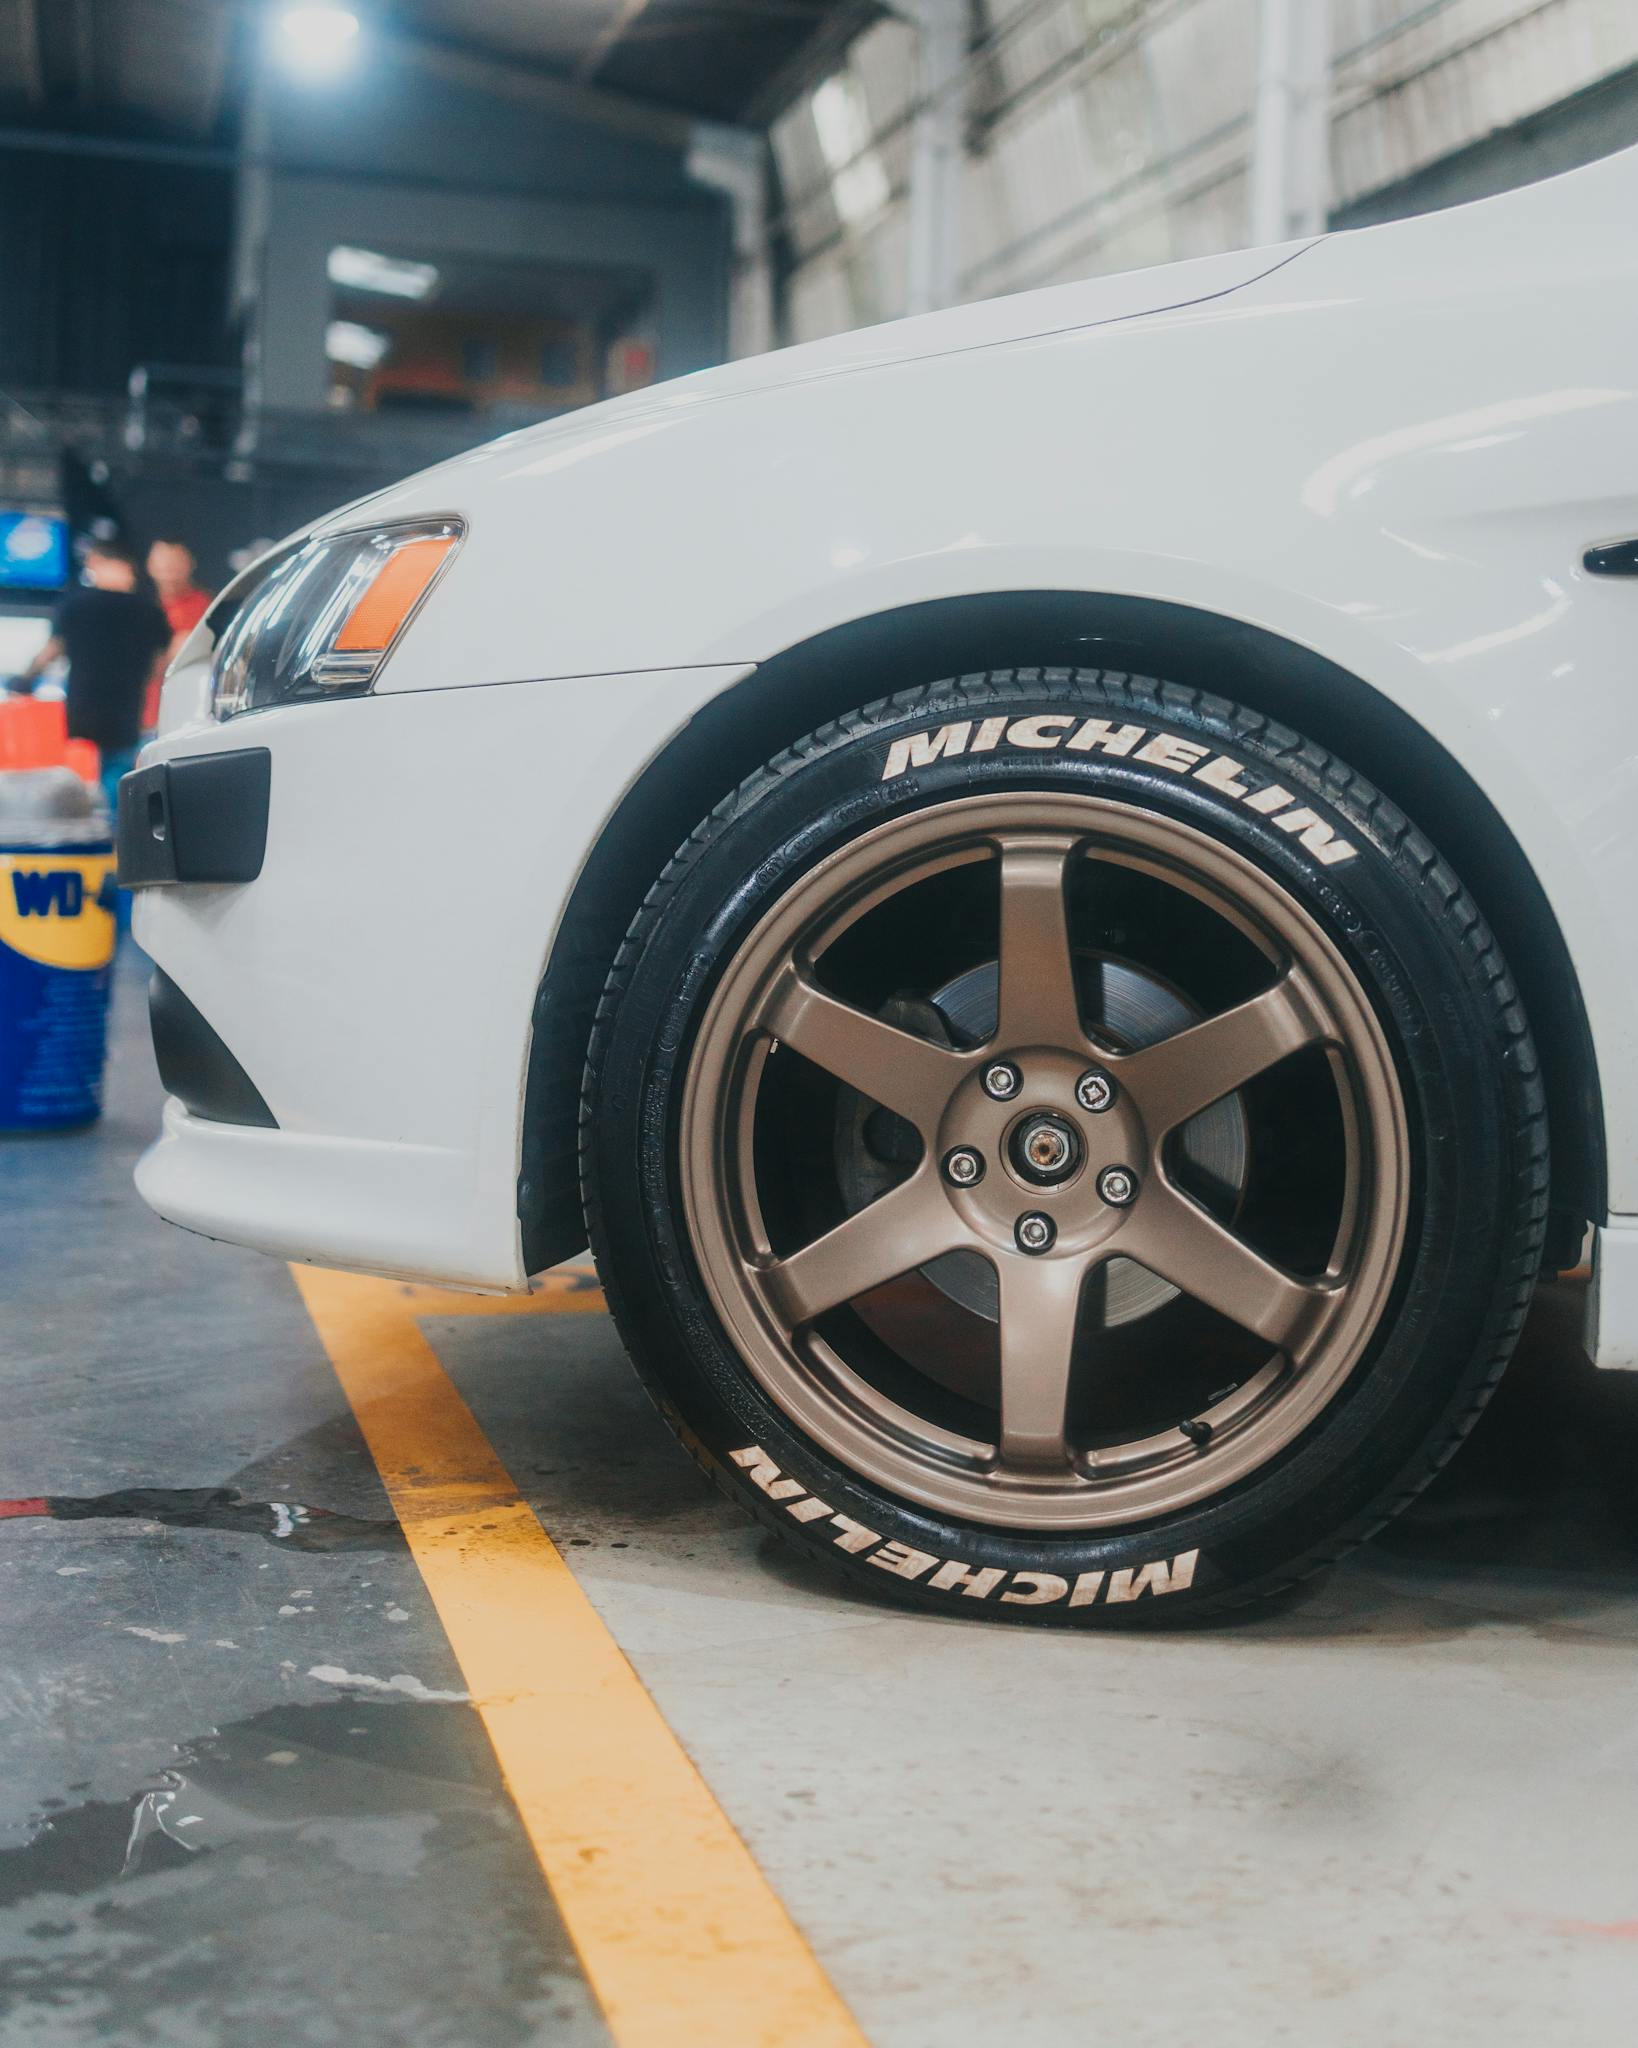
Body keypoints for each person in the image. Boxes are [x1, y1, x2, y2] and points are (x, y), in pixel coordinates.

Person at [10, 537, 171, 821]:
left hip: (83, 711)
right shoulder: (149, 610)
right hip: (127, 712)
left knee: (75, 784)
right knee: (118, 786)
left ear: (98, 563)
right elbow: (161, 666)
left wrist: (24, 681)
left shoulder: (75, 604)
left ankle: (79, 841)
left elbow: (52, 650)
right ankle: (116, 846)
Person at [145, 537, 212, 729]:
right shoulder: (144, 608)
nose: (168, 571)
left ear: (189, 564)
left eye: (174, 563)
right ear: (151, 566)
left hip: (188, 708)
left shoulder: (203, 606)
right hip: (147, 711)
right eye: (163, 564)